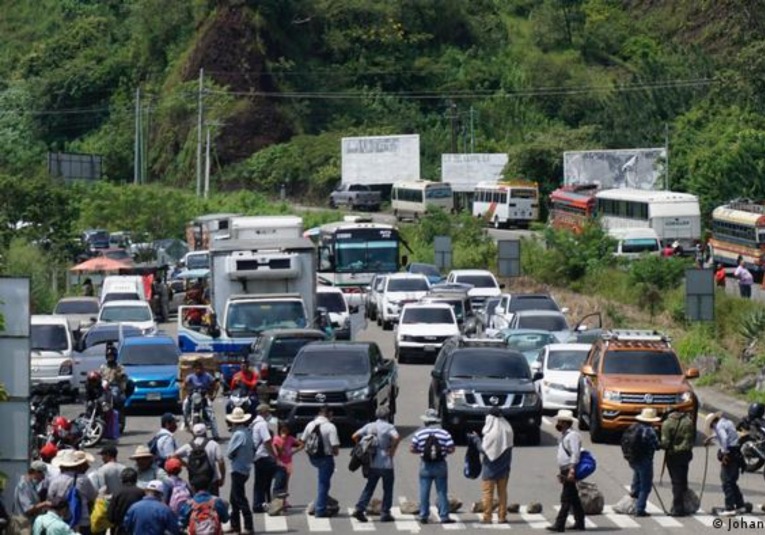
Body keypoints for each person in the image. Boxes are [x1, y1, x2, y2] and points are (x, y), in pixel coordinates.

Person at [351, 406, 400, 523]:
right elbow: (397, 437)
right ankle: (385, 512)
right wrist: (392, 449)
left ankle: (360, 508)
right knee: (388, 488)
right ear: (387, 416)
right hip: (386, 461)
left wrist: (362, 447)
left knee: (370, 487)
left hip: (372, 461)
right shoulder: (389, 427)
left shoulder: (370, 426)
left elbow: (354, 436)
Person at [409, 408, 456, 525]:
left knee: (424, 491)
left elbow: (412, 448)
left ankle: (423, 515)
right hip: (440, 465)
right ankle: (444, 515)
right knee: (442, 491)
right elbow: (451, 449)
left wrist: (421, 451)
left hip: (425, 465)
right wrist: (443, 451)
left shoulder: (419, 433)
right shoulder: (444, 433)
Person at [472, 408, 514, 525]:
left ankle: (487, 517)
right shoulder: (508, 429)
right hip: (504, 467)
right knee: (502, 493)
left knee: (487, 493)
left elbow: (484, 450)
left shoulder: (491, 433)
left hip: (490, 468)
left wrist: (476, 439)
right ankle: (502, 516)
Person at [704, 412, 751, 516]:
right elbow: (723, 434)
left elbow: (724, 438)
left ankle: (729, 507)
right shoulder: (727, 422)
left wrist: (725, 454)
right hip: (736, 454)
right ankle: (740, 505)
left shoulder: (719, 426)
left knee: (727, 482)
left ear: (713, 423)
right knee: (732, 481)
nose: (712, 427)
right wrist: (711, 438)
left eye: (711, 426)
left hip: (729, 455)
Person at [547, 410, 585, 532]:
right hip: (565, 469)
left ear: (565, 422)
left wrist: (572, 469)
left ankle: (559, 524)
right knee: (574, 498)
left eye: (560, 421)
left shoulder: (572, 435)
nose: (558, 423)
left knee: (566, 498)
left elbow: (575, 453)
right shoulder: (565, 435)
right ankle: (580, 522)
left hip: (569, 468)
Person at [301, 405, 340, 518]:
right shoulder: (330, 427)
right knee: (323, 484)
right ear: (330, 414)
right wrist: (335, 452)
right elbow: (335, 446)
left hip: (313, 458)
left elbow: (302, 440)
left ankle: (320, 502)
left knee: (323, 483)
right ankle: (320, 509)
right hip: (325, 458)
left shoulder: (310, 424)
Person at [48, 450, 98, 535]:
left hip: (62, 520)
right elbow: (93, 496)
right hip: (82, 521)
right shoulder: (83, 480)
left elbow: (50, 497)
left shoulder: (55, 481)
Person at [250, 404, 286, 513]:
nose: (269, 414)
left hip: (256, 457)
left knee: (261, 482)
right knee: (281, 471)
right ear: (264, 413)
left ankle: (259, 504)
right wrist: (274, 456)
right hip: (264, 455)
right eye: (268, 412)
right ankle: (277, 496)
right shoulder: (262, 424)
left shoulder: (253, 424)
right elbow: (267, 441)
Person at [625, 408, 660, 518]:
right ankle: (640, 509)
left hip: (634, 459)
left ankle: (632, 503)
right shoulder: (650, 431)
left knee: (636, 482)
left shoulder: (634, 428)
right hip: (645, 460)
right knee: (645, 486)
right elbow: (657, 445)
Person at [174, 423, 226, 496]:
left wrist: (186, 465)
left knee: (197, 504)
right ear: (205, 432)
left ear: (194, 433)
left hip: (195, 481)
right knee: (213, 504)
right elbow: (221, 462)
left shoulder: (189, 446)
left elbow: (174, 456)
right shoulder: (213, 444)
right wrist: (222, 478)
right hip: (211, 480)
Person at [660, 409, 694, 516]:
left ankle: (678, 508)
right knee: (683, 480)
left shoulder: (667, 423)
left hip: (673, 455)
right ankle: (685, 505)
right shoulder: (688, 421)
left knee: (676, 482)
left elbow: (665, 443)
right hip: (686, 454)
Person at [226, 407, 254, 534]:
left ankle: (248, 526)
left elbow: (230, 452)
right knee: (234, 498)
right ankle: (235, 524)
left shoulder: (238, 434)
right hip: (245, 467)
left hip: (238, 468)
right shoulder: (247, 432)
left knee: (240, 498)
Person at [182, 360, 220, 440]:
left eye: (200, 368)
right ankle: (186, 422)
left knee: (211, 414)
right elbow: (184, 384)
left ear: (202, 368)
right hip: (193, 396)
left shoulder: (207, 376)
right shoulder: (190, 376)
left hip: (204, 396)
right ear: (194, 369)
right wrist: (185, 387)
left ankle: (215, 434)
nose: (198, 370)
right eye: (196, 368)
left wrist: (213, 395)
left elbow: (215, 384)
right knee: (185, 406)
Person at [12, 461, 50, 530]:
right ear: (35, 472)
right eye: (42, 475)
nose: (43, 478)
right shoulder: (23, 485)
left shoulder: (31, 485)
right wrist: (45, 503)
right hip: (24, 526)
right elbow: (28, 509)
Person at [272, 422, 302, 507]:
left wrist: (293, 452)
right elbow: (279, 453)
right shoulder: (276, 439)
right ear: (279, 430)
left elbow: (301, 444)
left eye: (286, 430)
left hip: (288, 463)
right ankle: (277, 500)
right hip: (280, 463)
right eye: (283, 430)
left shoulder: (291, 438)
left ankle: (284, 501)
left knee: (286, 483)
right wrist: (283, 442)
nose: (285, 432)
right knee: (279, 482)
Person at [107, 468, 145, 535]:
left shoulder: (117, 492)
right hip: (136, 528)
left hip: (120, 528)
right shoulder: (141, 492)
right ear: (136, 479)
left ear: (122, 479)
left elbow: (110, 515)